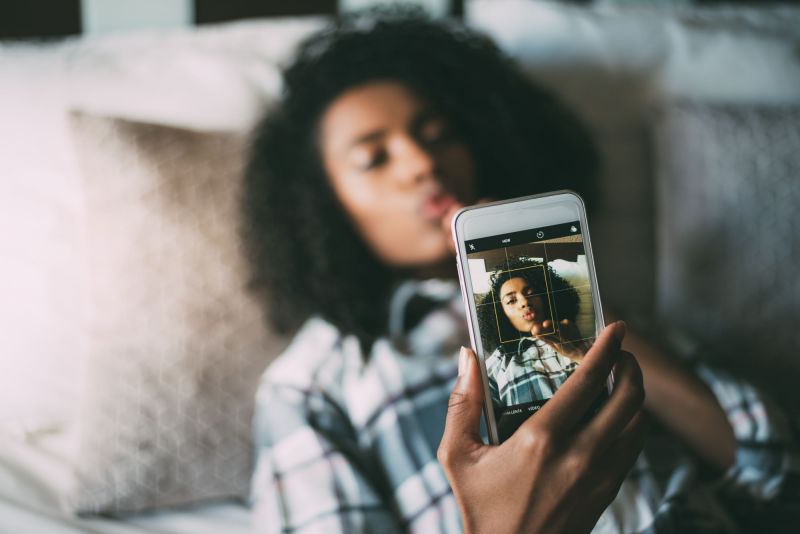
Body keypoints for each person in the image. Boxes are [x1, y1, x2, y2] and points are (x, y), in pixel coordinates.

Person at [242, 9, 797, 533]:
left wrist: (586, 306)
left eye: (438, 136)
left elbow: (770, 465)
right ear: (320, 207)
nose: (423, 164)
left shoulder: (592, 299)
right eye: (374, 158)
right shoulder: (315, 384)